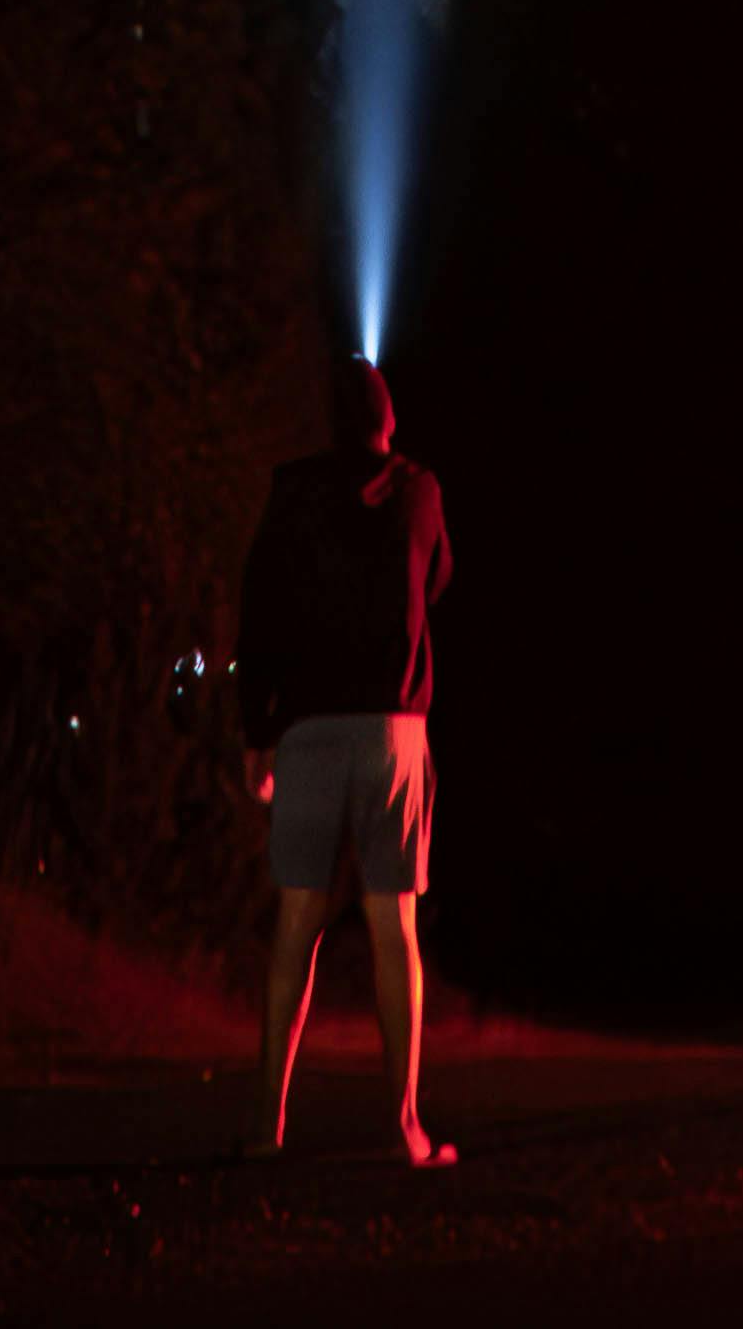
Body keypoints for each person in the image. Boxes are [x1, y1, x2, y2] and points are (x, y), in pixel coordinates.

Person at [236, 349, 455, 1167]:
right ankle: (404, 1128)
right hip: (393, 727)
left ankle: (267, 1126)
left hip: (309, 728)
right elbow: (438, 577)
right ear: (388, 418)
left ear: (330, 423)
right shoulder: (420, 489)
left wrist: (254, 727)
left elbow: (257, 609)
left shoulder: (292, 490)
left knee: (297, 921)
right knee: (393, 924)